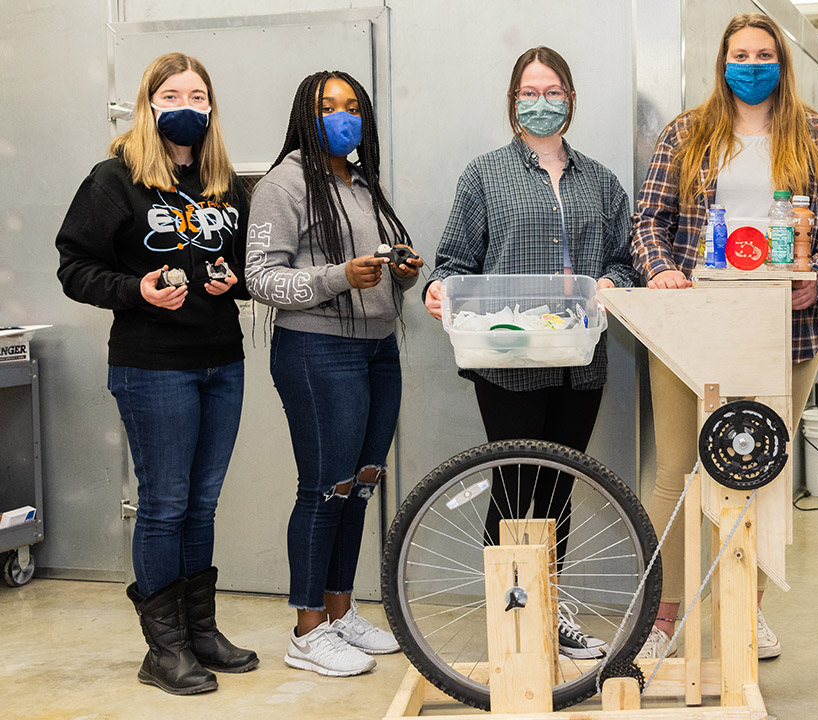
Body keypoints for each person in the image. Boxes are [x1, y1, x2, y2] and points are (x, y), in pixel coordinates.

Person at [631, 12, 818, 661]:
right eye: (740, 53)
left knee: (761, 470)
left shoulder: (815, 136)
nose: (751, 64)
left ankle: (743, 611)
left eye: (763, 54)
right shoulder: (687, 133)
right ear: (722, 62)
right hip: (691, 327)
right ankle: (662, 618)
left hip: (787, 331)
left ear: (780, 63)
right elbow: (649, 219)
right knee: (674, 470)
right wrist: (664, 270)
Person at [424, 46, 639, 661]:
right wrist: (440, 290)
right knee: (514, 485)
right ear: (513, 101)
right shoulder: (484, 175)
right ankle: (510, 615)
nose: (541, 103)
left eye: (552, 92)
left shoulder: (600, 182)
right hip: (506, 358)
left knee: (559, 488)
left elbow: (624, 261)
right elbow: (454, 262)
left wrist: (613, 284)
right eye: (529, 93)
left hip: (580, 360)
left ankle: (549, 610)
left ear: (570, 98)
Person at [55, 52, 258, 695]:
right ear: (147, 104)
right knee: (166, 506)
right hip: (154, 367)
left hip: (222, 361)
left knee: (201, 506)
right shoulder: (115, 179)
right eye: (173, 94)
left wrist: (235, 283)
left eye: (199, 96)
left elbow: (248, 269)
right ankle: (162, 649)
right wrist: (136, 290)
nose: (188, 105)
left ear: (211, 108)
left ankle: (200, 633)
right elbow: (74, 267)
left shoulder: (225, 182)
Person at [245, 70, 422, 677]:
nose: (341, 116)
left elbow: (370, 268)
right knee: (324, 487)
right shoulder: (284, 184)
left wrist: (400, 271)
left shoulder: (360, 182)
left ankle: (340, 610)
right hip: (317, 352)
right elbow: (262, 280)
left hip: (377, 350)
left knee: (360, 483)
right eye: (328, 106)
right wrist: (339, 276)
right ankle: (306, 628)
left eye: (352, 106)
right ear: (305, 113)